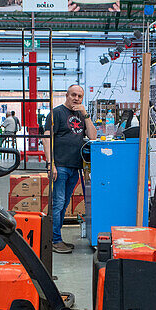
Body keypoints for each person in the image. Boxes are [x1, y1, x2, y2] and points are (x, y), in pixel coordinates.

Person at [45, 84, 98, 253]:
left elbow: (93, 136)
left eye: (80, 96)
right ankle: (54, 239)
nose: (76, 98)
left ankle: (56, 238)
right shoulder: (56, 113)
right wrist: (50, 163)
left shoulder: (81, 116)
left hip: (74, 168)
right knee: (58, 203)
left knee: (64, 203)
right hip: (59, 166)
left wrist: (86, 115)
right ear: (67, 95)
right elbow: (47, 138)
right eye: (73, 95)